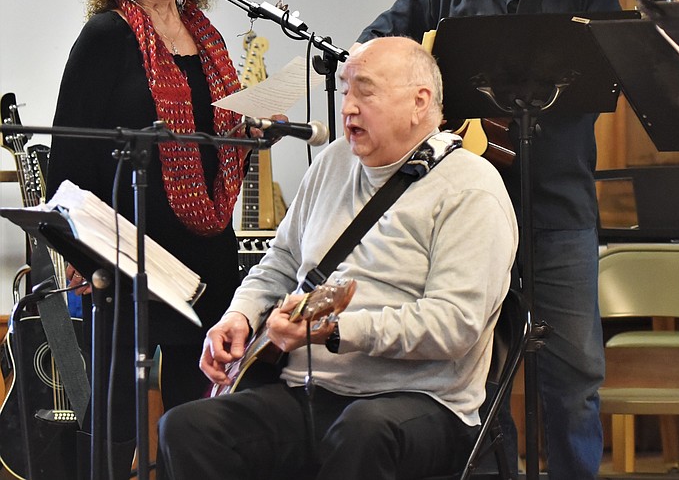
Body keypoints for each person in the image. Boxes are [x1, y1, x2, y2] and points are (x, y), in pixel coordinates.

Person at [358, 0, 620, 480]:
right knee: (473, 366)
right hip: (466, 218)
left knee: (576, 370)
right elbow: (374, 47)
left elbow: (615, 67)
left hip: (559, 207)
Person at [156, 36, 519, 479]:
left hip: (422, 402)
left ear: (419, 102)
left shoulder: (471, 188)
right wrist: (241, 315)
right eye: (346, 89)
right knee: (188, 426)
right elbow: (282, 260)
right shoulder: (332, 163)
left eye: (364, 90)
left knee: (362, 432)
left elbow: (454, 325)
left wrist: (334, 332)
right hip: (311, 392)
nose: (347, 107)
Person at [45, 0, 253, 472]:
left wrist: (249, 129)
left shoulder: (206, 34)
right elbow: (70, 149)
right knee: (114, 405)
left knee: (199, 407)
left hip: (205, 244)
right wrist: (78, 254)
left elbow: (219, 131)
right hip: (126, 249)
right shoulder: (106, 35)